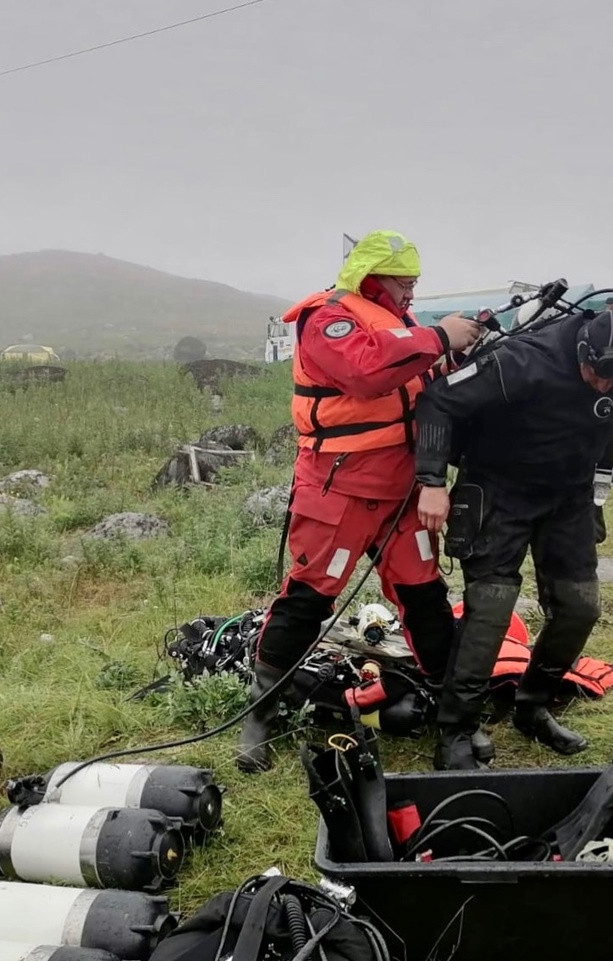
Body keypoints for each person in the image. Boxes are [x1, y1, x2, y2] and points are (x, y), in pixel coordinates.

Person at [235, 230, 483, 774]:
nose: (412, 291)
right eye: (404, 281)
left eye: (415, 282)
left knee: (426, 599)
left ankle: (454, 716)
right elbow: (366, 372)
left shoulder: (407, 325)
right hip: (340, 490)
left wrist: (461, 348)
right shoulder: (328, 318)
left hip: (404, 490)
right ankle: (259, 715)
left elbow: (428, 380)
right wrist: (441, 336)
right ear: (373, 277)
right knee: (307, 598)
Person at [412, 304, 613, 769]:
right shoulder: (522, 361)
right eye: (598, 375)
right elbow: (438, 401)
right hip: (498, 490)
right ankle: (457, 728)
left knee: (579, 607)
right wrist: (431, 482)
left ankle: (534, 705)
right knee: (490, 609)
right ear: (583, 353)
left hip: (569, 494)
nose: (606, 386)